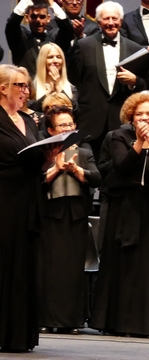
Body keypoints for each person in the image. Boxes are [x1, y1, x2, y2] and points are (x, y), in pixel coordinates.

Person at [89, 91, 149, 337]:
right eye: (139, 114)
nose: (144, 118)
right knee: (123, 267)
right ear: (131, 116)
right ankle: (117, 322)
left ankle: (147, 325)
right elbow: (121, 166)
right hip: (124, 207)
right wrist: (139, 144)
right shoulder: (119, 136)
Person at [0, 65, 56, 352]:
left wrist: (50, 156)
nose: (25, 91)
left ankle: (18, 336)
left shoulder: (29, 120)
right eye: (20, 86)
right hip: (4, 201)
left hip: (28, 200)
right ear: (3, 88)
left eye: (26, 86)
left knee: (23, 267)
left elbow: (35, 162)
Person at [38, 106, 101, 335]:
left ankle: (71, 320)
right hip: (50, 215)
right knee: (48, 269)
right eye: (62, 125)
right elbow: (33, 182)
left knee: (72, 270)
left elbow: (97, 177)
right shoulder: (43, 152)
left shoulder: (83, 151)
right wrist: (54, 170)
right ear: (51, 129)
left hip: (75, 215)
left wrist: (77, 170)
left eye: (70, 124)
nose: (67, 128)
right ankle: (45, 318)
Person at [68, 0, 148, 158]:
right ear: (98, 22)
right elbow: (74, 77)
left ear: (121, 21)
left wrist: (134, 82)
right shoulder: (84, 46)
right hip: (91, 120)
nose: (111, 23)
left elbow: (146, 84)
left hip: (122, 121)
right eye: (106, 19)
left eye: (114, 18)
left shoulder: (135, 49)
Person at [5, 0, 73, 78]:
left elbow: (68, 30)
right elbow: (11, 25)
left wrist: (51, 3)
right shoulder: (21, 40)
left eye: (42, 17)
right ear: (27, 18)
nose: (38, 20)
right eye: (34, 16)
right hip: (27, 88)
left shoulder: (54, 39)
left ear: (48, 18)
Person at [30, 43, 76, 113]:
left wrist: (58, 87)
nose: (55, 60)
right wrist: (47, 94)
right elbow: (30, 109)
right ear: (43, 60)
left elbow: (75, 110)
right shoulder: (32, 87)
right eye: (50, 57)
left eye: (58, 57)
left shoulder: (71, 88)